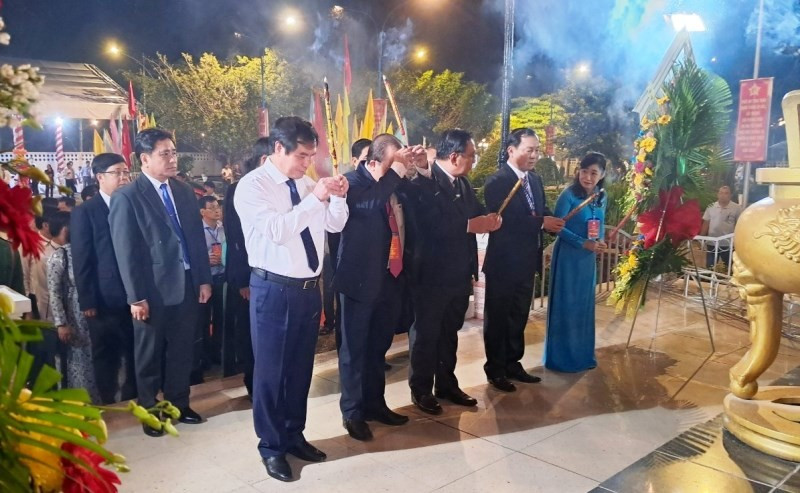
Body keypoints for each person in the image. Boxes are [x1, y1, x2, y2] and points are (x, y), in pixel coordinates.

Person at [235, 116, 349, 482]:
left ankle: (293, 434)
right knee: (271, 373)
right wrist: (316, 199)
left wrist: (338, 198)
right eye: (301, 156)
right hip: (273, 289)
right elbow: (278, 231)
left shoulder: (306, 183)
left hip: (307, 290)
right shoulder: (252, 187)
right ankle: (270, 446)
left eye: (311, 156)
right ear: (278, 148)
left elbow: (334, 226)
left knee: (301, 370)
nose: (307, 164)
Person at [109, 128, 212, 436]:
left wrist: (203, 279)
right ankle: (151, 411)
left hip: (187, 283)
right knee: (148, 356)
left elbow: (195, 238)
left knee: (182, 350)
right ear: (144, 159)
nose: (172, 159)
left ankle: (180, 403)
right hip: (151, 290)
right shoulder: (128, 196)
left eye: (173, 152)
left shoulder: (182, 190)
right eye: (164, 154)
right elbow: (125, 251)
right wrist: (135, 297)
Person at [334, 134, 425, 441]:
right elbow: (370, 205)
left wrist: (419, 165)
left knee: (378, 349)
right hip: (359, 280)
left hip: (391, 277)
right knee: (354, 350)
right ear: (373, 161)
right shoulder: (352, 182)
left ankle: (375, 404)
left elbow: (422, 199)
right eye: (393, 159)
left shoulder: (395, 184)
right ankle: (353, 412)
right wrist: (397, 170)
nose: (399, 166)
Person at [407, 129, 501, 415]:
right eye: (472, 156)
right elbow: (429, 223)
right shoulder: (425, 181)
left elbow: (474, 211)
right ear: (455, 156)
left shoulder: (463, 184)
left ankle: (446, 383)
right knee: (426, 334)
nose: (474, 161)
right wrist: (470, 225)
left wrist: (488, 218)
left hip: (459, 273)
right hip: (431, 274)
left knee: (449, 332)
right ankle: (421, 389)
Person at [482, 128, 564, 392]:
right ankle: (495, 369)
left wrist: (552, 221)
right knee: (498, 317)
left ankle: (512, 363)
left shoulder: (535, 180)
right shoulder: (497, 181)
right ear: (511, 150)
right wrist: (541, 222)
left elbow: (540, 211)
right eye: (529, 150)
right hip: (503, 262)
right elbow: (507, 220)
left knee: (519, 314)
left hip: (528, 260)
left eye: (537, 150)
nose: (534, 155)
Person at [71, 153, 137, 404]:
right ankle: (108, 402)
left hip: (135, 295)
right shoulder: (85, 212)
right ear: (100, 177)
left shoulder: (133, 205)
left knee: (135, 351)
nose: (123, 178)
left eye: (125, 172)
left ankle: (134, 398)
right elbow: (82, 258)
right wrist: (88, 301)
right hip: (103, 298)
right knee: (106, 354)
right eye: (117, 173)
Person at [544, 152, 607, 373]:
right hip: (569, 258)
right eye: (584, 171)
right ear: (577, 172)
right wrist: (583, 243)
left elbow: (600, 223)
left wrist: (599, 241)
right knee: (567, 304)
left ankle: (582, 355)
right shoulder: (568, 195)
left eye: (593, 173)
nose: (588, 177)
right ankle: (562, 359)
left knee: (583, 305)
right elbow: (559, 228)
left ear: (602, 175)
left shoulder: (601, 195)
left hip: (587, 260)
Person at [223, 139, 269, 398]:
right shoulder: (238, 189)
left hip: (273, 276)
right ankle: (253, 382)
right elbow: (236, 238)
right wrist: (242, 281)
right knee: (250, 333)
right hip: (249, 276)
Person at [46, 211, 101, 402]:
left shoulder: (90, 250)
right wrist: (61, 322)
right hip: (74, 317)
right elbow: (54, 292)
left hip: (97, 315)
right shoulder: (60, 256)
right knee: (78, 361)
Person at [321, 138, 373, 340]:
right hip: (340, 256)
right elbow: (334, 225)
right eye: (366, 159)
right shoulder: (346, 184)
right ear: (354, 160)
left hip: (367, 261)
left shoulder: (375, 185)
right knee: (344, 310)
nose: (371, 163)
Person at [194, 195, 226, 379]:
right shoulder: (198, 230)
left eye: (217, 206)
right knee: (204, 320)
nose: (217, 210)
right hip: (206, 280)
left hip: (222, 276)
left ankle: (217, 352)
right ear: (202, 212)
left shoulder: (223, 229)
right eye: (212, 207)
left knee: (221, 318)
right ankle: (203, 356)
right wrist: (206, 259)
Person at [700, 185, 741, 269]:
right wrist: (702, 238)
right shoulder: (711, 207)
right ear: (717, 194)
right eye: (721, 193)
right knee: (710, 266)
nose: (723, 195)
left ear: (730, 195)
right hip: (712, 242)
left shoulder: (737, 208)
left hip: (728, 244)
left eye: (726, 193)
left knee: (729, 267)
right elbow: (706, 223)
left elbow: (739, 224)